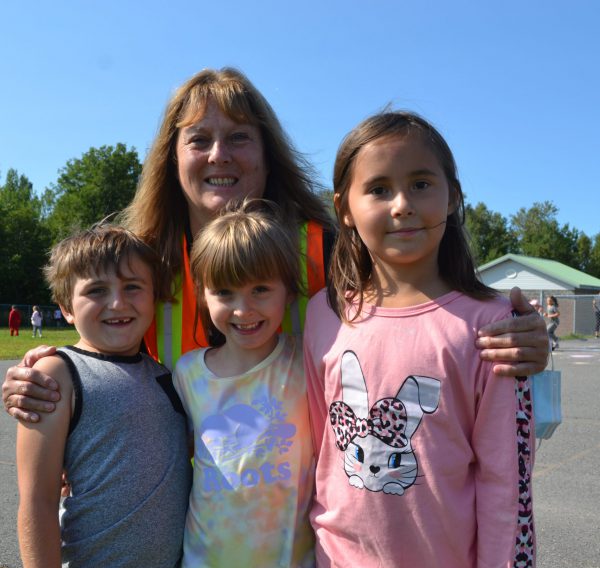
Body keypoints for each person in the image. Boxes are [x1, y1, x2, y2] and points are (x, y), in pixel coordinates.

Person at [2, 67, 548, 422]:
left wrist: (514, 333)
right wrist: (46, 373)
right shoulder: (139, 262)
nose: (220, 155)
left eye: (240, 136)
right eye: (200, 139)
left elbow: (422, 307)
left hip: (300, 526)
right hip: (170, 520)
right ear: (172, 157)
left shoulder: (331, 245)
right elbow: (98, 353)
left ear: (267, 153)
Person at [303, 111, 535, 568]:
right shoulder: (322, 316)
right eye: (380, 189)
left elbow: (505, 483)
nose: (403, 204)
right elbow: (315, 454)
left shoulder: (490, 324)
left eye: (421, 184)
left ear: (452, 196)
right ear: (344, 207)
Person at [16, 224, 191, 568]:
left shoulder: (168, 376)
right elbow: (37, 501)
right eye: (96, 291)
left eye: (132, 286)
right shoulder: (56, 374)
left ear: (154, 296)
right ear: (65, 308)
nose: (117, 303)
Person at [173, 198, 315, 568]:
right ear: (203, 295)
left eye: (260, 289)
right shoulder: (187, 374)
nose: (243, 309)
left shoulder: (308, 361)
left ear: (288, 292)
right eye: (225, 292)